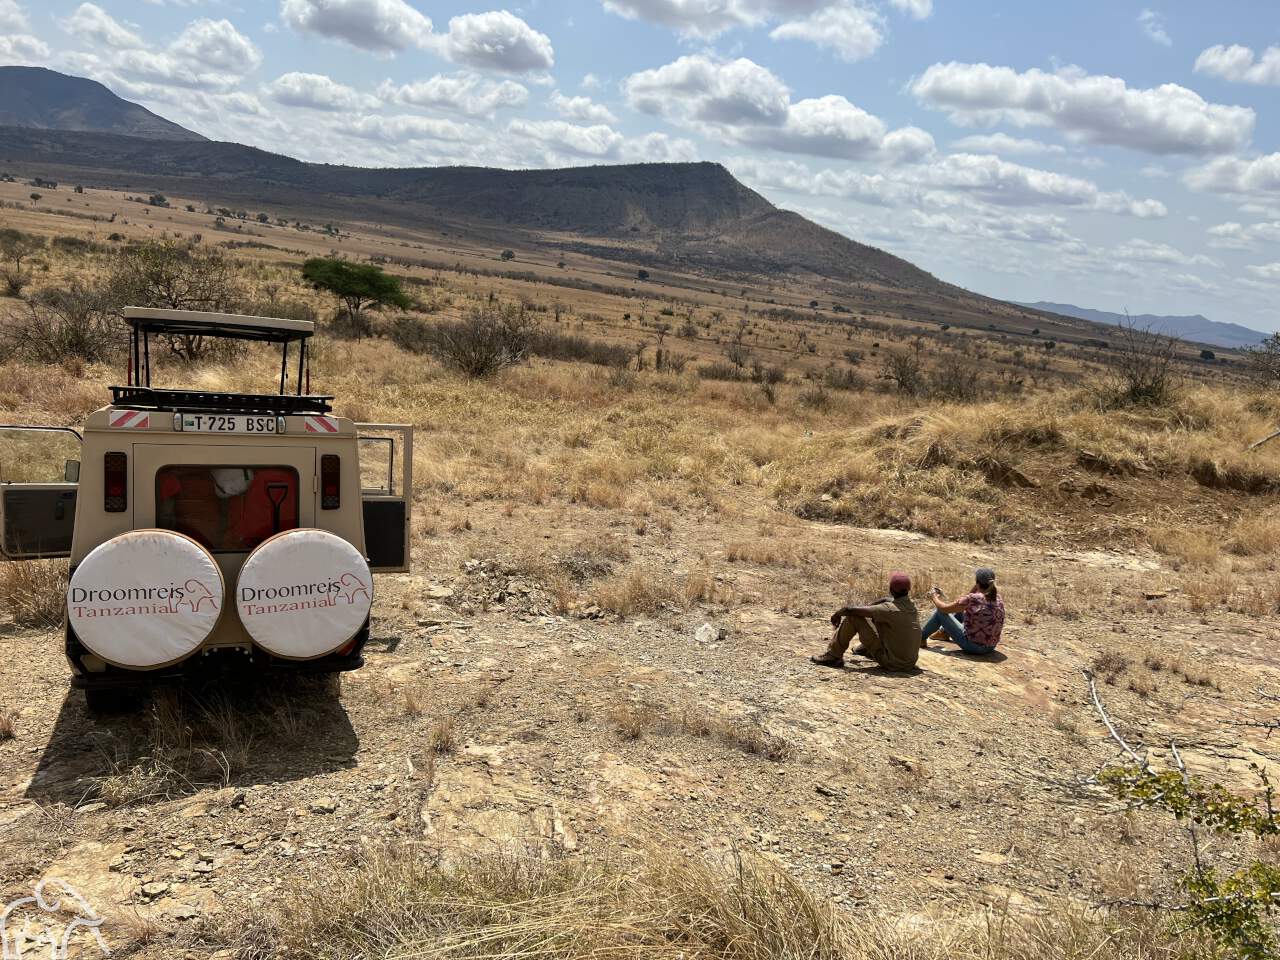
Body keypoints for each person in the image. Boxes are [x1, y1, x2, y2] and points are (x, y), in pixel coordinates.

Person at [810, 572, 922, 671]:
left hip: (893, 663)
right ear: (908, 590)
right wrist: (870, 607)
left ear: (891, 589)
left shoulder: (887, 609)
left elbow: (850, 610)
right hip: (909, 663)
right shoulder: (911, 606)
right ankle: (864, 650)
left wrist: (838, 613)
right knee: (880, 619)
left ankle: (833, 655)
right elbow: (887, 600)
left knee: (853, 617)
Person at [922, 567, 1005, 655]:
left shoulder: (973, 599)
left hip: (974, 647)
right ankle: (943, 633)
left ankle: (920, 638)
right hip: (991, 646)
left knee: (939, 613)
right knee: (961, 611)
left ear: (977, 582)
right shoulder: (998, 598)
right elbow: (967, 600)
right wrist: (977, 585)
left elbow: (944, 609)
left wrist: (934, 597)